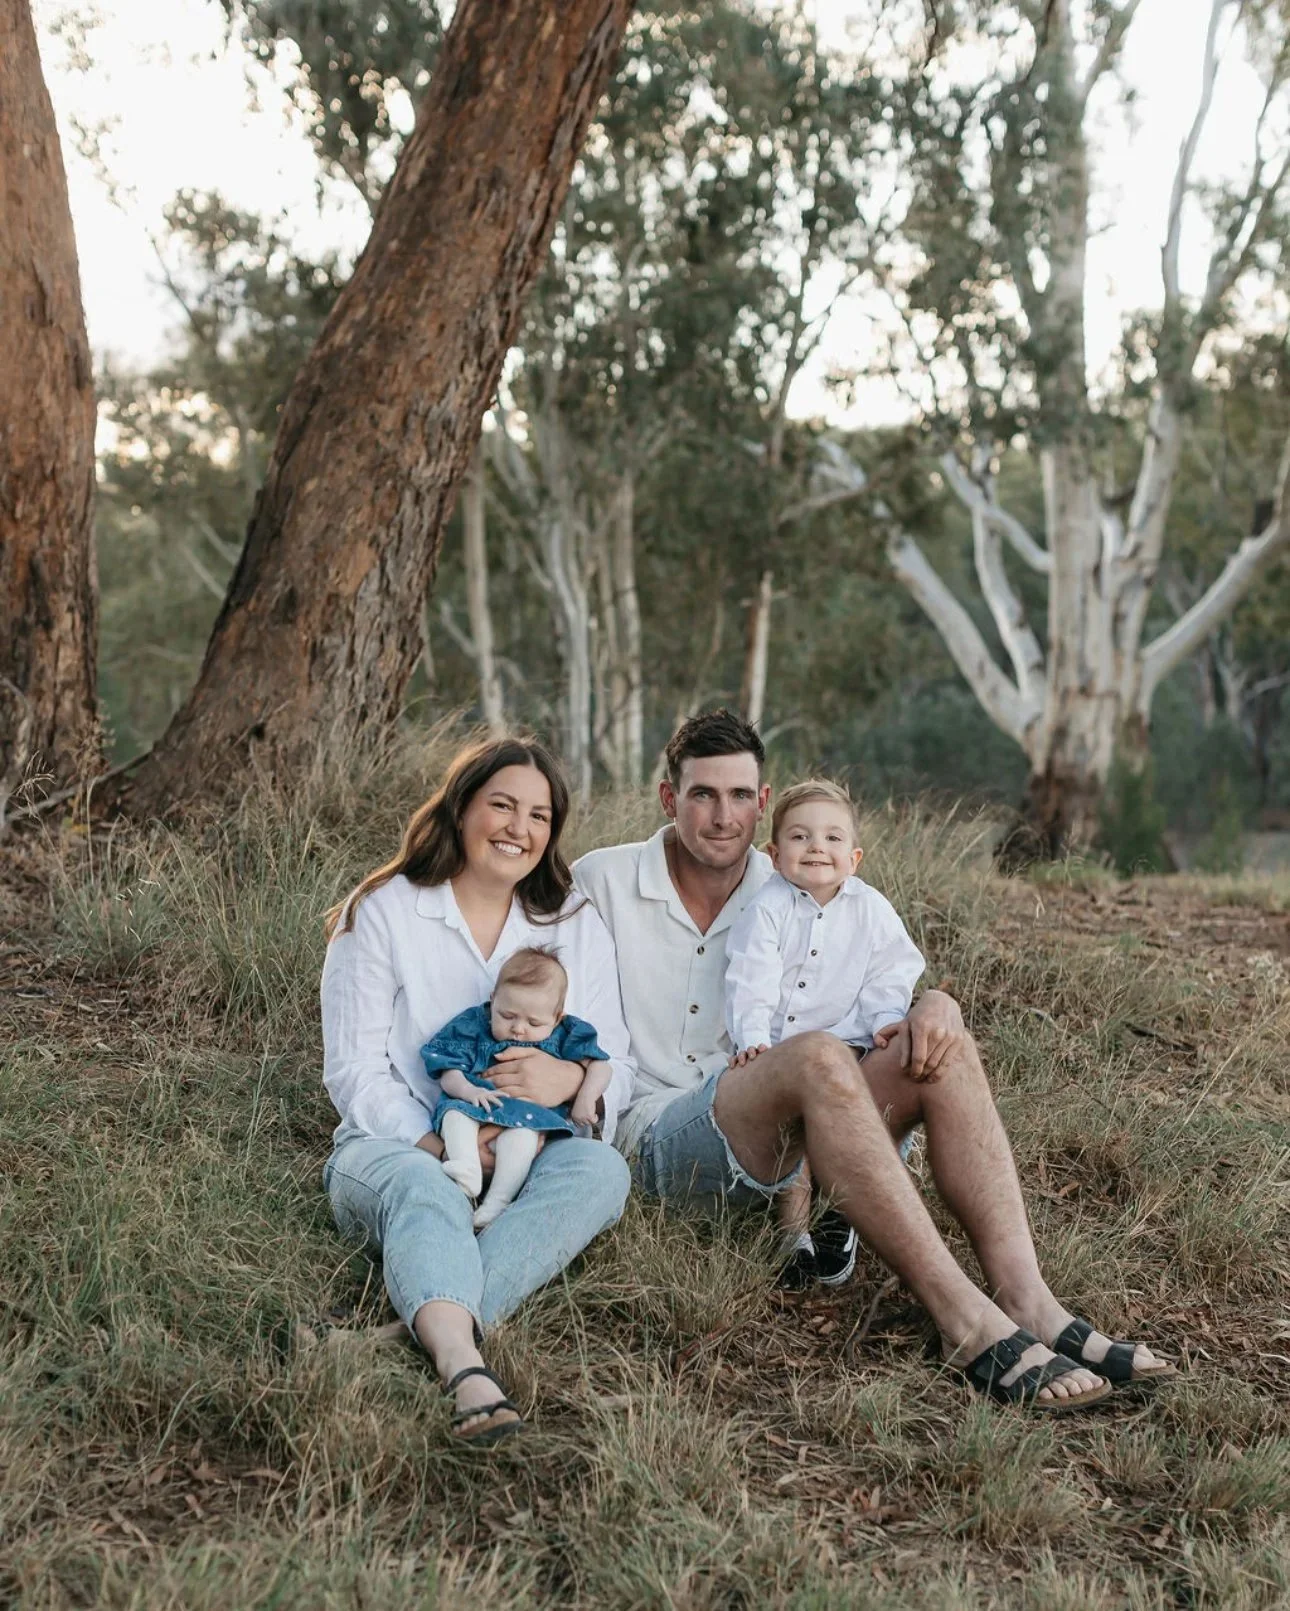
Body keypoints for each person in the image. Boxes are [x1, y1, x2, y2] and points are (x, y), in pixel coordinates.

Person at [574, 709, 1175, 1412]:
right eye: (703, 794)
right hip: (662, 1132)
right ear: (669, 798)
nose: (722, 815)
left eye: (741, 796)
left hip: (789, 1126)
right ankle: (967, 1320)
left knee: (941, 1047)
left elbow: (871, 983)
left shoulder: (803, 877)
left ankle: (1029, 1299)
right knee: (820, 1058)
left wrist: (933, 1005)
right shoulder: (602, 880)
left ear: (763, 804)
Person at [321, 737, 633, 1444]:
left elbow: (620, 1056)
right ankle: (465, 1366)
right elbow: (354, 1070)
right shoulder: (385, 910)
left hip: (530, 1146)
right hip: (390, 1145)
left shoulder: (572, 920)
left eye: (539, 814)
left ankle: (417, 1321)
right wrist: (433, 1140)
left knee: (602, 1171)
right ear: (462, 807)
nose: (519, 828)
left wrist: (574, 1079)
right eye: (502, 805)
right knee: (430, 1189)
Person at [724, 779, 925, 1288]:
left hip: (850, 1046)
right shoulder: (766, 910)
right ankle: (793, 1237)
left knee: (852, 1122)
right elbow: (751, 979)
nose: (817, 847)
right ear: (773, 854)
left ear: (854, 857)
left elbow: (891, 972)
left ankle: (842, 1213)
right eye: (800, 837)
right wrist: (752, 1039)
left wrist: (883, 1023)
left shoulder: (871, 910)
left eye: (833, 839)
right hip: (779, 1053)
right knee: (795, 1141)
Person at [422, 945, 613, 1229]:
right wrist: (468, 1091)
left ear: (557, 1016)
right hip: (476, 1102)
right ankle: (466, 1169)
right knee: (454, 1116)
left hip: (527, 1117)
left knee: (521, 1140)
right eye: (507, 1015)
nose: (518, 1028)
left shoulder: (567, 1033)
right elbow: (448, 1070)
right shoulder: (474, 1024)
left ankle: (498, 1200)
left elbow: (602, 1065)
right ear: (493, 1000)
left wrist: (585, 1097)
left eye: (534, 1022)